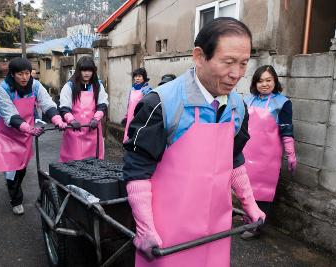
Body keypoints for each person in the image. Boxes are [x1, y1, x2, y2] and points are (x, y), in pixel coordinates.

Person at [123, 17, 265, 267]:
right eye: (229, 62)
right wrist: (145, 229)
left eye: (244, 64)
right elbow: (137, 170)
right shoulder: (161, 103)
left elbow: (234, 159)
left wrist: (250, 205)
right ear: (199, 56)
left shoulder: (238, 107)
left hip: (216, 229)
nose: (237, 74)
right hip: (167, 234)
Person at [0, 57, 67, 215]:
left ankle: (13, 183)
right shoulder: (3, 89)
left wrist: (57, 119)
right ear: (12, 74)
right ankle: (16, 200)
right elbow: (9, 115)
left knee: (22, 166)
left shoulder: (35, 85)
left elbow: (46, 102)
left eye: (27, 73)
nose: (24, 77)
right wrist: (28, 128)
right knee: (13, 168)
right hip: (9, 133)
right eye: (20, 74)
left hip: (26, 133)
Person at [241, 65, 297, 239]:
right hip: (246, 154)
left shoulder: (282, 103)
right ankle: (246, 220)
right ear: (255, 83)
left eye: (268, 80)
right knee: (246, 190)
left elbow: (286, 130)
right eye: (260, 80)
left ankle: (255, 226)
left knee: (262, 192)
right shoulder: (247, 100)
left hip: (268, 158)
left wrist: (290, 153)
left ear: (275, 81)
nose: (264, 84)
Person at [59, 56, 109, 162]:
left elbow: (103, 104)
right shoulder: (69, 86)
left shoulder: (97, 85)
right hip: (75, 130)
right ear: (78, 71)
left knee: (94, 162)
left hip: (93, 129)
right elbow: (64, 108)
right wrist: (71, 120)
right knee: (74, 162)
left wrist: (96, 119)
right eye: (84, 70)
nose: (87, 73)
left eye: (90, 70)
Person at [121, 68, 152, 143]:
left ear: (144, 77)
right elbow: (129, 104)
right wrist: (126, 116)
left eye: (140, 76)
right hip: (130, 117)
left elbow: (149, 105)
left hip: (140, 117)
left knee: (138, 136)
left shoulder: (147, 89)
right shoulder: (132, 88)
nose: (137, 78)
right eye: (135, 76)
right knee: (129, 136)